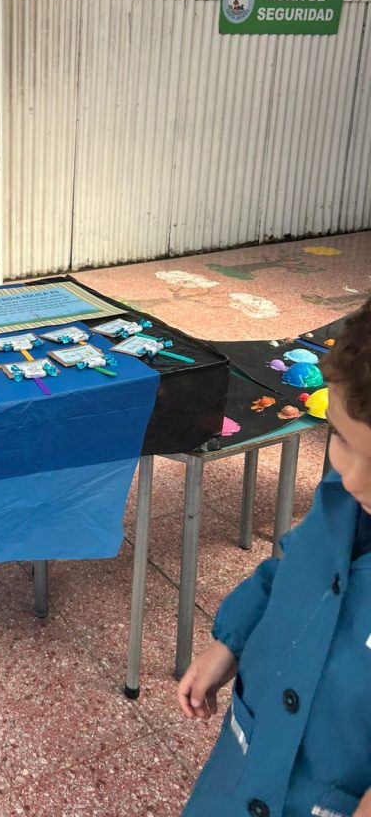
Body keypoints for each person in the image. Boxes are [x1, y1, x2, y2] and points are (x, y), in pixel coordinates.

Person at [177, 299, 371, 817]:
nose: (353, 479)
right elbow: (294, 568)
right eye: (341, 439)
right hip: (247, 769)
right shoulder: (344, 496)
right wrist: (232, 640)